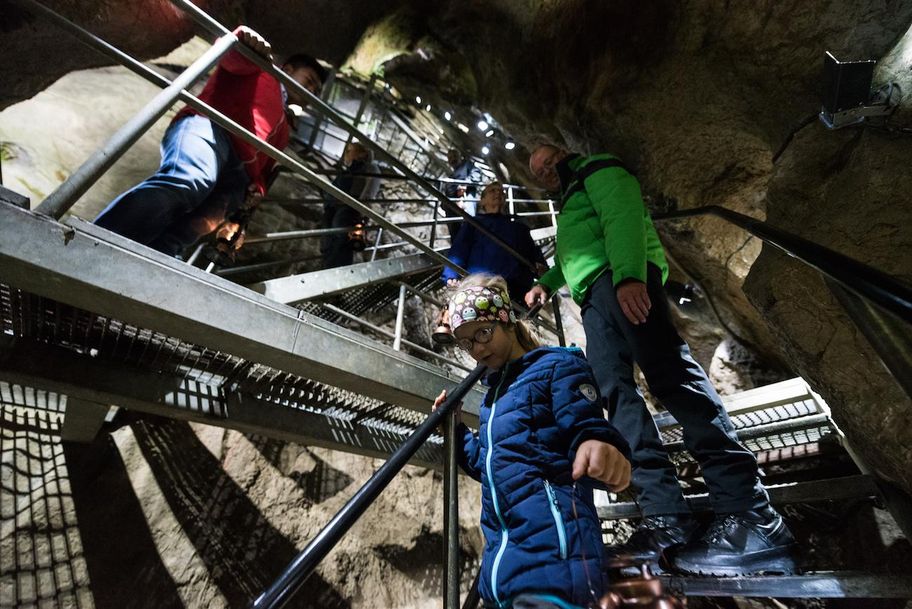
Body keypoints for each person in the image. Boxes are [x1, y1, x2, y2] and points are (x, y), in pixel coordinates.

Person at [524, 144, 796, 576]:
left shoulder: (596, 169)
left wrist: (631, 275)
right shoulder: (571, 200)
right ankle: (666, 518)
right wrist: (546, 283)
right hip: (593, 297)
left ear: (563, 154)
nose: (544, 171)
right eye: (537, 171)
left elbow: (622, 213)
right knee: (615, 396)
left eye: (547, 161)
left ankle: (750, 514)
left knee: (671, 376)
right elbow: (573, 256)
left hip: (621, 278)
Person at [433, 274, 632, 609]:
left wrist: (597, 442)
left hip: (555, 562)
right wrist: (455, 430)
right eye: (466, 343)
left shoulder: (557, 365)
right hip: (502, 571)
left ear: (506, 320)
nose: (477, 349)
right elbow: (490, 465)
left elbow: (583, 420)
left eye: (483, 333)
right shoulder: (492, 399)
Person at [95, 27, 327, 257]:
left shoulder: (286, 127)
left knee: (194, 226)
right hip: (212, 128)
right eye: (309, 81)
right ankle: (99, 239)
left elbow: (266, 167)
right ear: (288, 69)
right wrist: (242, 40)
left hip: (240, 176)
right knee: (189, 181)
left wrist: (258, 187)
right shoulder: (262, 70)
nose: (311, 91)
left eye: (316, 90)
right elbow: (230, 56)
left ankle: (149, 263)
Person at [441, 181, 548, 301]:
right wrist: (451, 275)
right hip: (481, 286)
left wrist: (541, 266)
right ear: (482, 201)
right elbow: (459, 249)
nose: (498, 193)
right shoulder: (473, 223)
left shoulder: (519, 226)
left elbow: (532, 251)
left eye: (501, 192)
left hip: (516, 290)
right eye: (492, 191)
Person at [320, 141, 381, 268]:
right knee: (329, 241)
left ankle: (336, 270)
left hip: (349, 207)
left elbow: (369, 190)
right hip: (334, 207)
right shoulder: (350, 170)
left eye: (349, 150)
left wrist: (361, 209)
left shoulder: (369, 168)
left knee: (342, 239)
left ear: (361, 154)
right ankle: (328, 267)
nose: (346, 153)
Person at [442, 148, 483, 237]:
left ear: (460, 157)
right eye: (450, 158)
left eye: (455, 156)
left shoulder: (468, 165)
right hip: (452, 209)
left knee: (468, 229)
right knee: (455, 233)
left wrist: (465, 185)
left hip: (465, 201)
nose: (453, 159)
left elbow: (477, 174)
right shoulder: (451, 176)